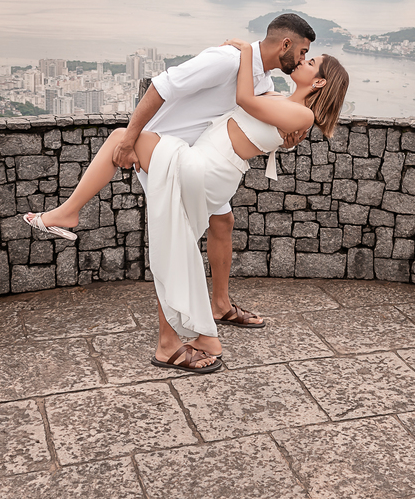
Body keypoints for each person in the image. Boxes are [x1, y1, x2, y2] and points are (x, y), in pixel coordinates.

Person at [25, 29, 349, 373]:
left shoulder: (300, 116)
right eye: (304, 53)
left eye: (310, 61)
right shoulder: (281, 101)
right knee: (176, 246)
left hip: (204, 169)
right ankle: (205, 337)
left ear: (318, 84)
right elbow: (257, 91)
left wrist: (243, 54)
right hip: (208, 170)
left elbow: (243, 98)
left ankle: (67, 213)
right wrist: (248, 52)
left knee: (124, 138)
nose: (303, 60)